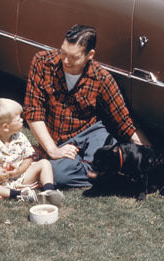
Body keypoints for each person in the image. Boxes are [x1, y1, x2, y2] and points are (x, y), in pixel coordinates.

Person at [24, 24, 150, 189]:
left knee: (104, 158)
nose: (65, 61)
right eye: (63, 52)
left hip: (92, 132)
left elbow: (125, 122)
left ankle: (100, 171)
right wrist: (53, 150)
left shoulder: (102, 78)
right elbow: (33, 113)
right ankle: (107, 174)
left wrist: (151, 155)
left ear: (90, 55)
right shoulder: (42, 62)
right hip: (59, 139)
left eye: (73, 57)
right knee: (59, 175)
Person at [0, 98, 64, 205]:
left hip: (20, 177)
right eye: (18, 119)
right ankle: (17, 194)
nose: (22, 120)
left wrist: (18, 171)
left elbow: (28, 158)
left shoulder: (20, 137)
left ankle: (49, 190)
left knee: (44, 163)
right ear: (5, 127)